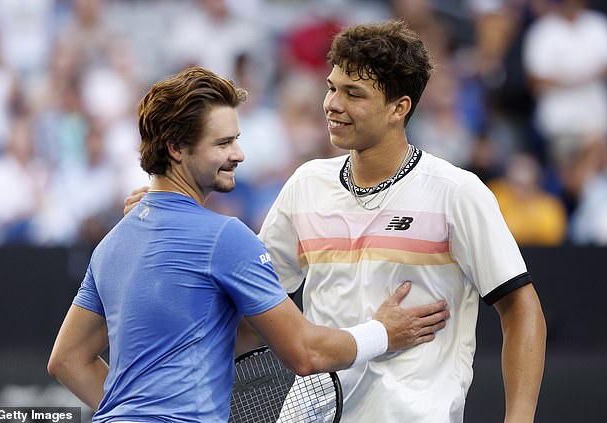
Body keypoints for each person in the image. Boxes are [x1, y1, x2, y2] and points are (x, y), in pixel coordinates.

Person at [123, 21, 547, 422]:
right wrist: (174, 215)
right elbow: (251, 299)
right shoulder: (307, 183)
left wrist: (519, 418)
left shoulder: (457, 192)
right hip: (309, 414)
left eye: (354, 93)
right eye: (331, 88)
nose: (333, 104)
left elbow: (521, 307)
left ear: (400, 107)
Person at [48, 66, 451, 423]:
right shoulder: (225, 236)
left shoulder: (113, 242)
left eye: (236, 139)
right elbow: (305, 353)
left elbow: (67, 360)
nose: (239, 154)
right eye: (222, 143)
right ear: (175, 148)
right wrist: (383, 332)